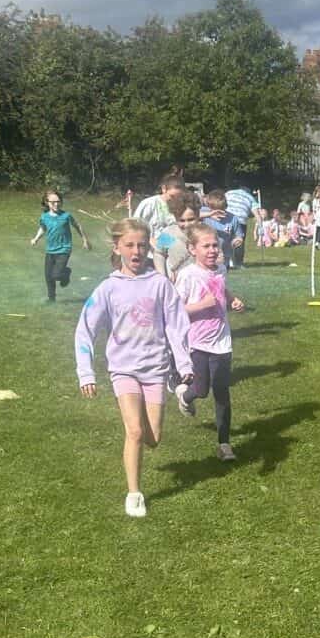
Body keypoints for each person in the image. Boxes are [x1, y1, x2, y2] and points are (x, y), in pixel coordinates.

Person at [75, 219, 192, 518]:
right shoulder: (108, 288)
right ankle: (134, 494)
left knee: (153, 438)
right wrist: (86, 372)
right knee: (135, 431)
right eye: (129, 245)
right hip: (123, 369)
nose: (136, 251)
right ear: (117, 248)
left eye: (141, 245)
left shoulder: (160, 285)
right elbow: (85, 329)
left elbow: (177, 326)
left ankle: (145, 422)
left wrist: (184, 364)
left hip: (155, 369)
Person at [173, 226, 247, 462]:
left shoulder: (221, 269)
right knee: (202, 390)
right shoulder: (187, 275)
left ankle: (224, 444)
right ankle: (185, 396)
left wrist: (233, 300)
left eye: (215, 245)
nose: (212, 250)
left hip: (222, 342)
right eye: (206, 246)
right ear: (192, 249)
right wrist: (202, 305)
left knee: (222, 392)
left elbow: (222, 290)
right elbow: (175, 310)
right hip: (197, 342)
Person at [31, 190, 91, 303]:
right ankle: (51, 299)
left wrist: (84, 239)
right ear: (47, 202)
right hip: (50, 250)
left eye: (58, 201)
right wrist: (36, 239)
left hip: (64, 249)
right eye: (53, 202)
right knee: (48, 276)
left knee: (56, 275)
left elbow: (77, 225)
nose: (56, 204)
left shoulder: (66, 216)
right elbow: (43, 228)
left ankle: (66, 272)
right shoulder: (44, 217)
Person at [225, 181, 259, 268]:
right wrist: (260, 225)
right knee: (239, 242)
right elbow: (256, 213)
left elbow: (222, 203)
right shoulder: (250, 197)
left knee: (226, 240)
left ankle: (226, 262)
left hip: (227, 219)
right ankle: (238, 264)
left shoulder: (229, 193)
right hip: (240, 221)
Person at [201, 188, 238, 267]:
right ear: (209, 206)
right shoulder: (204, 212)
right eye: (214, 210)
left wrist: (237, 239)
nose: (218, 212)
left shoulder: (232, 218)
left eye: (221, 209)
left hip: (224, 255)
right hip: (206, 254)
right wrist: (209, 214)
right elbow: (191, 216)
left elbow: (238, 234)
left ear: (226, 206)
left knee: (221, 273)